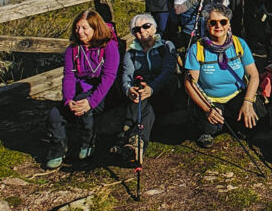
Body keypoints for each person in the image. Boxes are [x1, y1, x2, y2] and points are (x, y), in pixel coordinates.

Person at [47, 10, 120, 169]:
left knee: (84, 107)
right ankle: (58, 149)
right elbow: (69, 76)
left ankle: (87, 143)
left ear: (95, 28)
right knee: (55, 113)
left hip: (104, 94)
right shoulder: (72, 50)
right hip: (80, 92)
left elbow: (109, 77)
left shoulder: (109, 47)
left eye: (84, 28)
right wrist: (68, 100)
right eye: (77, 28)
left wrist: (91, 102)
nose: (79, 32)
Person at [183, 4, 262, 147]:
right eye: (213, 22)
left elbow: (254, 75)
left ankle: (231, 118)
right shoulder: (197, 49)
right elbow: (190, 84)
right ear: (207, 25)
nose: (218, 26)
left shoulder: (239, 44)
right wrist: (207, 109)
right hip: (209, 98)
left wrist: (248, 102)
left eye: (223, 22)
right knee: (211, 128)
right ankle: (206, 124)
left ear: (229, 24)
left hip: (236, 94)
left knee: (253, 122)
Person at [116, 13, 177, 162]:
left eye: (146, 26)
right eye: (136, 29)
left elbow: (167, 72)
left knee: (144, 103)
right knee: (146, 108)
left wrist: (152, 88)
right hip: (143, 94)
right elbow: (127, 75)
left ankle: (126, 134)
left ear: (154, 27)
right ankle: (138, 144)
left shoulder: (166, 46)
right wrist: (128, 89)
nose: (142, 31)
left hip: (163, 91)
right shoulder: (131, 53)